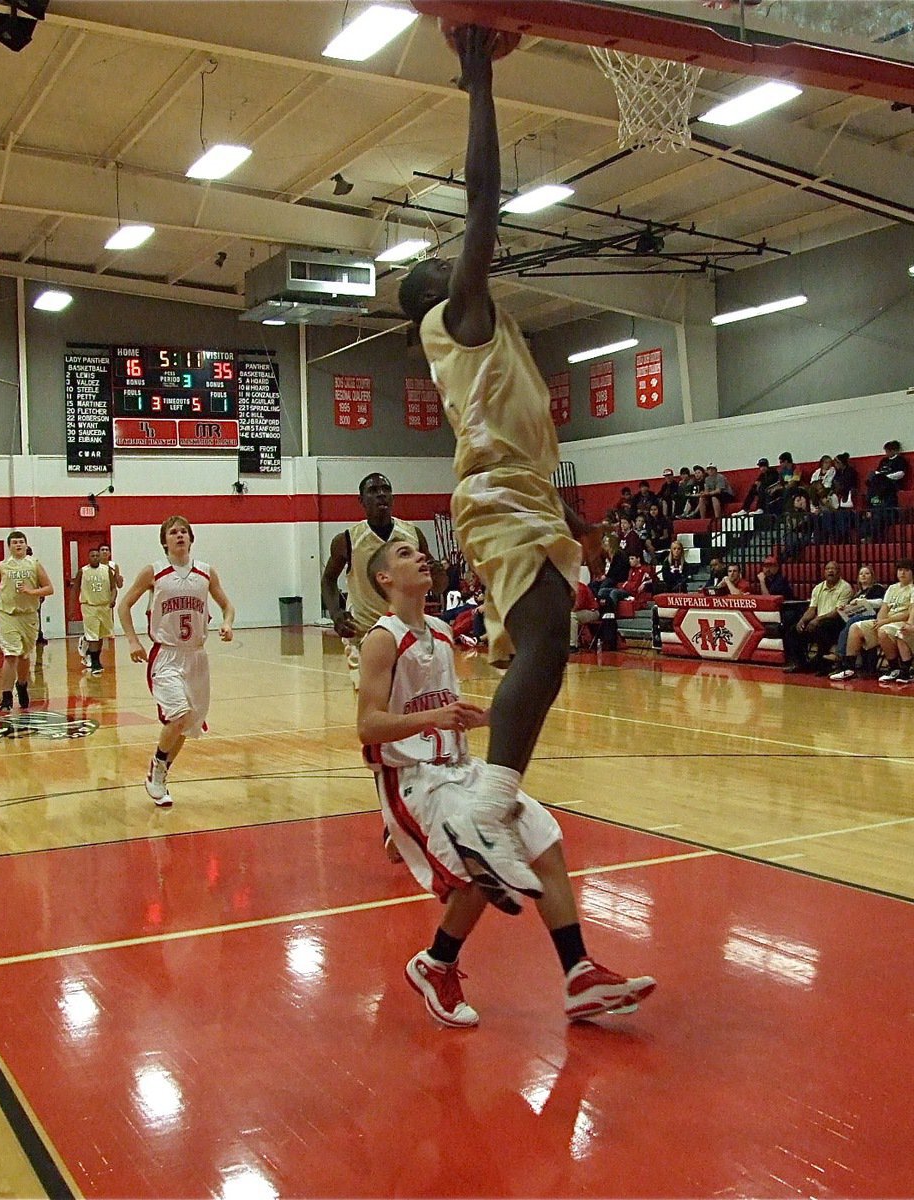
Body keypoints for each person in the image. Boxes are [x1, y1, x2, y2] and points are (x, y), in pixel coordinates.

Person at [397, 27, 606, 900]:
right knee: (549, 642)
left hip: (518, 495)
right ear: (439, 293)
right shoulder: (460, 318)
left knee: (547, 643)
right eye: (446, 267)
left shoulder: (477, 338)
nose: (460, 262)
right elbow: (483, 204)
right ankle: (489, 801)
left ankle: (493, 804)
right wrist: (477, 78)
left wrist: (575, 519)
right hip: (499, 496)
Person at [357, 538, 656, 1026]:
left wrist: (484, 718)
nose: (422, 558)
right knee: (481, 860)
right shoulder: (383, 638)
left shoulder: (439, 631)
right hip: (414, 779)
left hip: (463, 768)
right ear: (385, 579)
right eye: (406, 555)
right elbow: (368, 726)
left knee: (545, 842)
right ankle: (437, 964)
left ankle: (578, 974)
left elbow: (443, 710)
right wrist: (436, 716)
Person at [118, 516, 235, 807]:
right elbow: (124, 606)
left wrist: (228, 622)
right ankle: (156, 770)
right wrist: (133, 640)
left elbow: (226, 604)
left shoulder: (206, 573)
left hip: (196, 656)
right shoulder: (154, 572)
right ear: (164, 541)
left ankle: (161, 772)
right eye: (173, 532)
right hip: (166, 654)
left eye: (184, 531)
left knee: (186, 725)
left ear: (191, 538)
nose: (179, 535)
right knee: (178, 715)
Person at [321, 472, 439, 689]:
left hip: (407, 632)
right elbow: (328, 580)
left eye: (386, 490)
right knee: (373, 703)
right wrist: (336, 614)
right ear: (361, 500)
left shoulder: (412, 534)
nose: (381, 495)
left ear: (393, 498)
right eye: (373, 491)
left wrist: (439, 573)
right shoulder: (347, 539)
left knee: (408, 701)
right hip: (365, 634)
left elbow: (438, 583)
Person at [0, 530, 54, 712]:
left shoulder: (34, 565)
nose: (18, 545)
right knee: (10, 654)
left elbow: (49, 589)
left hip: (28, 615)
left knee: (24, 655)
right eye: (15, 542)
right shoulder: (2, 566)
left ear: (26, 545)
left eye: (21, 542)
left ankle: (22, 685)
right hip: (7, 614)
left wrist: (31, 592)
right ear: (9, 546)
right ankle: (6, 696)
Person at [829, 560, 914, 682]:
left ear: (913, 573)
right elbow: (884, 607)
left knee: (882, 631)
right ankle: (848, 668)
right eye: (900, 570)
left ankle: (894, 667)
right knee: (855, 627)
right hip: (885, 620)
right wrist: (879, 620)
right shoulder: (892, 588)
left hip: (899, 621)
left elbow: (910, 613)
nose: (902, 573)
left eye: (906, 570)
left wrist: (885, 621)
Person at [782, 561, 852, 673]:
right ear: (824, 572)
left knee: (823, 627)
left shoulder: (845, 588)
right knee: (793, 630)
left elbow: (837, 612)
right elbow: (812, 609)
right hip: (819, 621)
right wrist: (802, 620)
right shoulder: (818, 588)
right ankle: (800, 663)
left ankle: (822, 664)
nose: (830, 571)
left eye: (833, 569)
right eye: (828, 569)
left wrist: (817, 619)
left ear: (839, 572)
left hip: (837, 622)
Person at [828, 564, 884, 670]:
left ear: (872, 576)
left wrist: (864, 602)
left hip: (872, 615)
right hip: (858, 616)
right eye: (861, 574)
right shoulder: (858, 593)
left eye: (867, 573)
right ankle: (842, 661)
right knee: (840, 622)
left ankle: (840, 654)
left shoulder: (877, 588)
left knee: (852, 622)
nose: (863, 576)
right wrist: (844, 608)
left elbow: (881, 602)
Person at [71, 547, 115, 676]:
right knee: (93, 635)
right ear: (88, 557)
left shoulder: (107, 570)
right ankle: (95, 662)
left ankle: (92, 653)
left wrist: (113, 599)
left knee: (101, 635)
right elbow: (75, 590)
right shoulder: (83, 571)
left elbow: (113, 588)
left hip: (104, 606)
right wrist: (72, 608)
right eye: (93, 556)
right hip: (89, 606)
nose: (95, 557)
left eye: (97, 555)